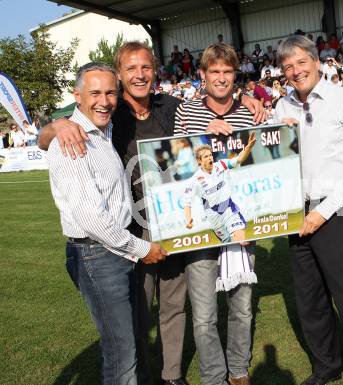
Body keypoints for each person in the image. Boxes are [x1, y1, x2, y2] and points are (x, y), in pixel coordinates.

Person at [38, 41, 264, 385]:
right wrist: (58, 125)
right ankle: (142, 375)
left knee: (174, 305)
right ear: (119, 73)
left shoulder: (169, 106)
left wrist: (246, 98)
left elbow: (209, 109)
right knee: (136, 315)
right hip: (129, 231)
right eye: (130, 69)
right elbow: (47, 138)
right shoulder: (109, 114)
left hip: (172, 224)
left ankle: (171, 375)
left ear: (155, 71)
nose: (139, 75)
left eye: (145, 67)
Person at [46, 62, 168, 385]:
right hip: (98, 253)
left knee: (125, 342)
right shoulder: (71, 140)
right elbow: (93, 220)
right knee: (120, 352)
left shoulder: (104, 130)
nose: (104, 100)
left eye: (111, 92)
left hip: (112, 250)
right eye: (95, 93)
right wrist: (143, 249)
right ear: (77, 96)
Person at [273, 35, 343, 385]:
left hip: (333, 214)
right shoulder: (282, 107)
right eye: (288, 66)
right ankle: (326, 367)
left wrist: (323, 211)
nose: (295, 71)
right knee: (310, 302)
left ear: (317, 61)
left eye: (301, 62)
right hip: (296, 215)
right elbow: (270, 160)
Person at [174, 42, 258, 385]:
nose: (221, 78)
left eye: (227, 72)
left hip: (238, 217)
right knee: (205, 313)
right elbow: (176, 161)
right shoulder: (186, 111)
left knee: (242, 305)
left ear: (234, 75)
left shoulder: (250, 111)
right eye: (215, 72)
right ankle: (212, 376)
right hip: (205, 226)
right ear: (203, 75)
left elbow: (254, 155)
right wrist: (203, 135)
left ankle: (238, 370)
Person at [184, 134, 256, 243]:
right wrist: (188, 219)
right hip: (214, 217)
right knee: (229, 245)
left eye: (210, 155)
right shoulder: (194, 180)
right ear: (199, 161)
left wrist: (249, 147)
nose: (210, 158)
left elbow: (239, 159)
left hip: (229, 209)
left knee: (241, 241)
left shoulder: (221, 164)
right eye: (206, 157)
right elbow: (187, 203)